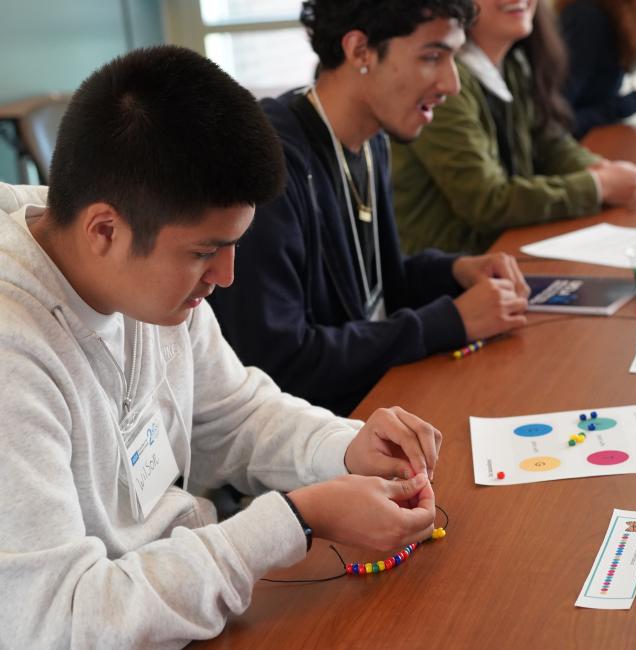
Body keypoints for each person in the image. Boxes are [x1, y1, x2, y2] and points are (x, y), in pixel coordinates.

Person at [0, 45, 445, 648]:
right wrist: (297, 518)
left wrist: (346, 449)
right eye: (206, 251)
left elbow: (235, 413)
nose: (227, 277)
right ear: (104, 230)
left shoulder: (143, 274)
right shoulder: (14, 348)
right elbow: (59, 623)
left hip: (178, 603)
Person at [209, 0, 531, 417]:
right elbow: (283, 365)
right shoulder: (270, 168)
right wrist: (448, 322)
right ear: (359, 50)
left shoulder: (372, 137)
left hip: (374, 403)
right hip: (313, 441)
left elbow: (373, 290)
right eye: (432, 56)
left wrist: (452, 273)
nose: (452, 84)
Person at [390, 0, 636, 256]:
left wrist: (598, 169)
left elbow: (549, 142)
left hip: (500, 255)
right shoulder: (445, 86)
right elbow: (487, 202)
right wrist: (597, 185)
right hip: (455, 274)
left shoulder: (514, 63)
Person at [558, 0, 636, 138]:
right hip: (572, 150)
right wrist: (634, 102)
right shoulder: (587, 20)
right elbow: (558, 122)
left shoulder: (614, 17)